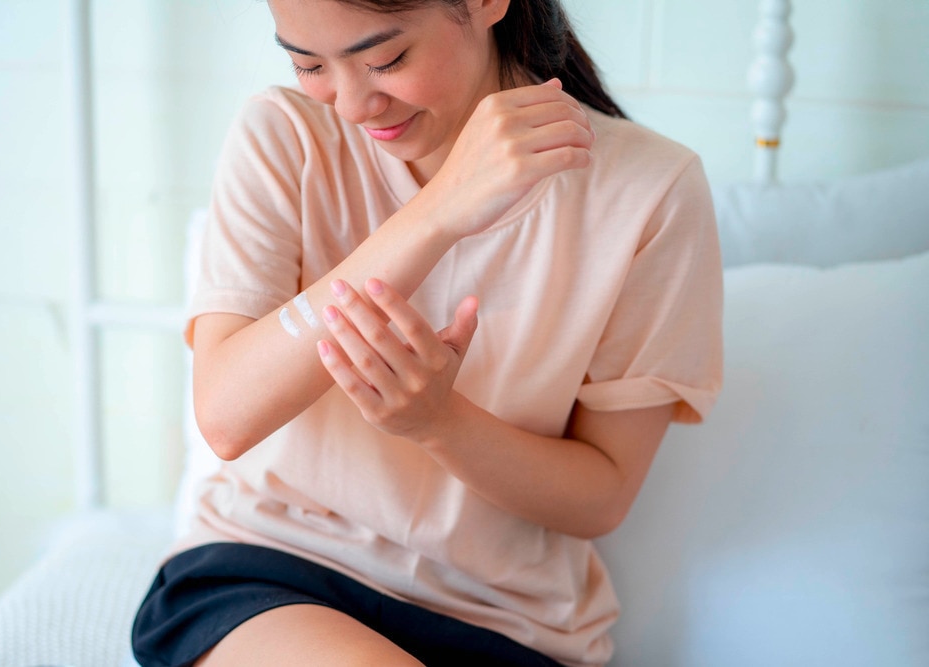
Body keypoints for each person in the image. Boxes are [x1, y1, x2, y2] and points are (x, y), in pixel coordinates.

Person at [131, 0, 723, 665]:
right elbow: (226, 416)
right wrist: (439, 210)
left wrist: (439, 422)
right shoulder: (287, 135)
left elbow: (603, 497)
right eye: (308, 64)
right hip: (276, 572)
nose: (352, 104)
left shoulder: (650, 192)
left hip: (507, 623)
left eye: (385, 59)